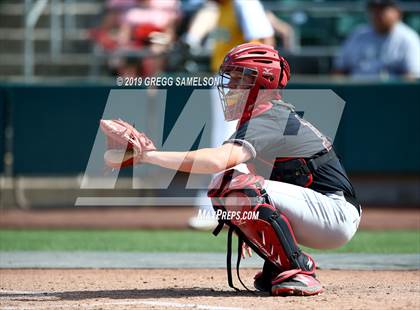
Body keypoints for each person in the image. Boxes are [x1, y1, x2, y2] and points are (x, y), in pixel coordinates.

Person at [101, 43, 362, 296]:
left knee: (233, 185)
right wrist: (250, 227)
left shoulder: (270, 118)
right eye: (231, 79)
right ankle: (281, 264)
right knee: (229, 184)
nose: (231, 88)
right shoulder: (264, 117)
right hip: (322, 211)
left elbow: (217, 161)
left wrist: (149, 156)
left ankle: (299, 268)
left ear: (262, 83)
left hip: (334, 214)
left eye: (240, 80)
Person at [334, 0, 420, 79]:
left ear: (398, 12)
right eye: (374, 9)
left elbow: (412, 76)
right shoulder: (358, 35)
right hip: (354, 91)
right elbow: (339, 70)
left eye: (383, 9)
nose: (377, 14)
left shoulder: (408, 38)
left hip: (391, 93)